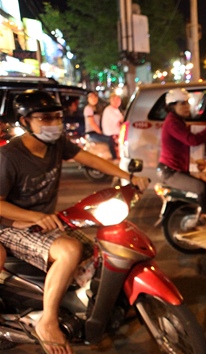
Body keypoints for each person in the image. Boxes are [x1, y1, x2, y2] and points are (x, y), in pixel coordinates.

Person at [0, 90, 149, 354]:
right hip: (11, 226)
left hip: (46, 222)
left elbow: (88, 158)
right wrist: (35, 216)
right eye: (45, 118)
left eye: (57, 116)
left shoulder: (56, 145)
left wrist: (127, 176)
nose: (53, 123)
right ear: (25, 122)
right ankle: (48, 321)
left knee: (99, 249)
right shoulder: (9, 157)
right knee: (69, 250)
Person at [157, 88, 206, 228]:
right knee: (200, 187)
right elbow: (191, 140)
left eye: (187, 103)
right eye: (182, 104)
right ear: (172, 106)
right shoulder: (172, 122)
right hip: (170, 172)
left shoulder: (179, 121)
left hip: (179, 168)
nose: (187, 107)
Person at [83, 91, 117, 159]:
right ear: (88, 99)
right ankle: (114, 158)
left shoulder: (96, 108)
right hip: (92, 134)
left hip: (95, 133)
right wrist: (100, 132)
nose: (94, 99)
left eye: (95, 97)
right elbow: (92, 123)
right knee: (109, 139)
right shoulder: (88, 109)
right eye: (91, 97)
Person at [101, 93, 124, 159]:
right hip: (111, 134)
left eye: (118, 100)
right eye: (115, 100)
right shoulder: (109, 110)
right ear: (111, 100)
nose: (117, 102)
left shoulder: (116, 110)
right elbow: (120, 120)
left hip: (116, 132)